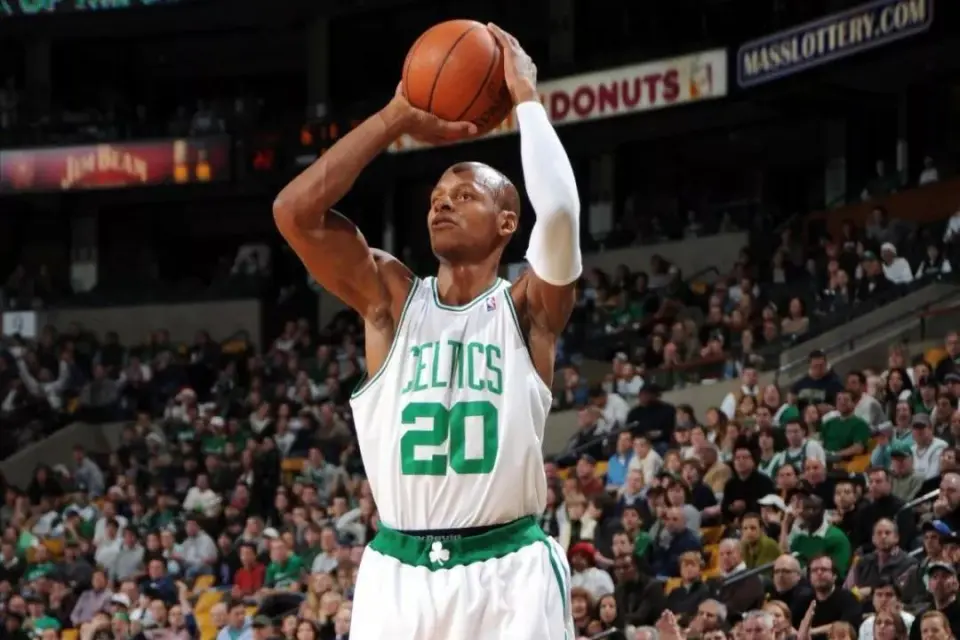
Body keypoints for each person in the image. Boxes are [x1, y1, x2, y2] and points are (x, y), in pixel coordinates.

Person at [273, 24, 580, 640]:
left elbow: (561, 212)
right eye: (437, 196)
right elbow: (294, 214)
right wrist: (394, 119)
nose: (441, 203)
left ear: (506, 223)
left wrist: (525, 97)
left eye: (464, 196)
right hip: (399, 570)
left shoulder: (529, 308)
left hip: (509, 568)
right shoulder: (389, 300)